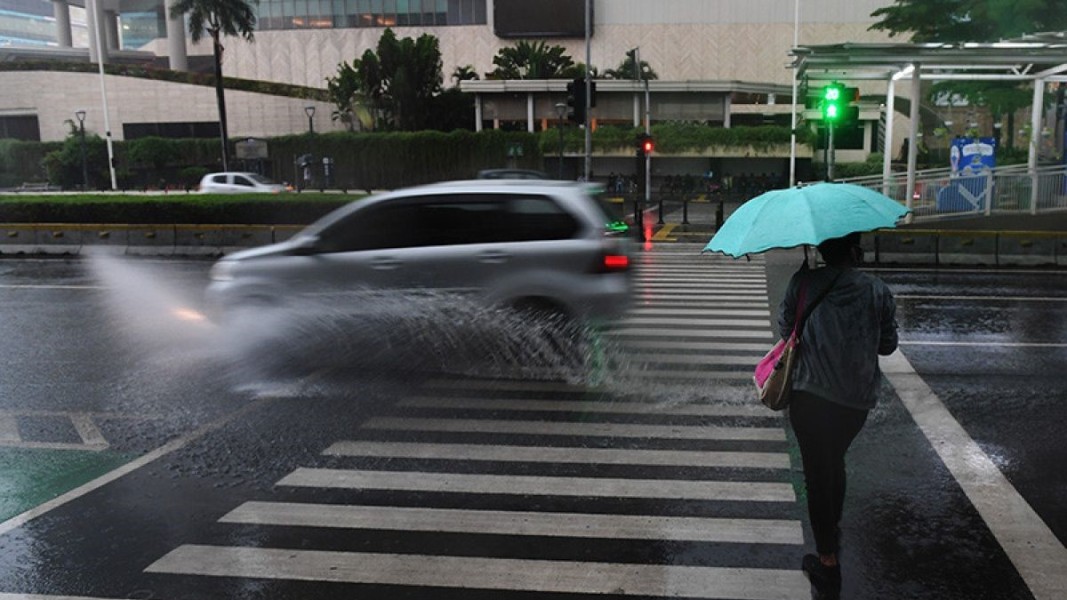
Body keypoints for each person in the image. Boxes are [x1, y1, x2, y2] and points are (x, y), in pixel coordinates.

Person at [777, 232, 899, 599]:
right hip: (855, 402)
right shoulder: (877, 290)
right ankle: (833, 526)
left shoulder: (803, 283)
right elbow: (888, 345)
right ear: (854, 250)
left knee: (818, 473)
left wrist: (805, 293)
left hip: (810, 396)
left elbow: (786, 331)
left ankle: (827, 561)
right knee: (834, 461)